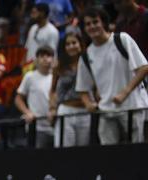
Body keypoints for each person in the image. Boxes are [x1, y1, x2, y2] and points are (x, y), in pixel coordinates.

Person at [77, 7, 148, 144]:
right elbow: (82, 89)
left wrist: (125, 92)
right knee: (109, 156)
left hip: (133, 107)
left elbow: (144, 67)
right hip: (106, 112)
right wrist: (88, 104)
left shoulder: (122, 39)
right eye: (88, 24)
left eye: (95, 22)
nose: (92, 26)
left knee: (136, 151)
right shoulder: (86, 56)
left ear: (103, 23)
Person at [50, 31, 90, 146]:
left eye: (74, 43)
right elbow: (52, 90)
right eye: (68, 44)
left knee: (82, 152)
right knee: (64, 151)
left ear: (80, 44)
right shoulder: (59, 65)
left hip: (85, 111)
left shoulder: (89, 63)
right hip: (65, 110)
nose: (71, 46)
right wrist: (52, 108)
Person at [17, 46, 57, 147]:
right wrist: (27, 112)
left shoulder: (56, 77)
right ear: (36, 59)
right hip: (36, 127)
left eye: (48, 56)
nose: (45, 58)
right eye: (41, 56)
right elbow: (18, 98)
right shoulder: (30, 76)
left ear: (53, 59)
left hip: (55, 125)